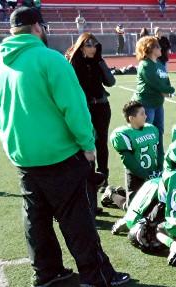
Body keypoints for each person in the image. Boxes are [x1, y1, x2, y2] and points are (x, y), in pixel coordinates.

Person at [0, 7, 129, 287]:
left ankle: (46, 271)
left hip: (24, 156)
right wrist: (87, 145)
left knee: (36, 218)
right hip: (59, 155)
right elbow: (74, 108)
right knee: (77, 218)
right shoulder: (49, 59)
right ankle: (96, 274)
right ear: (38, 27)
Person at [65, 33, 116, 207]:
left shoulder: (98, 62)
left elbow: (111, 82)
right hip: (84, 109)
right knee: (86, 144)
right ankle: (89, 180)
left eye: (95, 45)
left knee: (101, 143)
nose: (92, 48)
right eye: (88, 45)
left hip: (101, 106)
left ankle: (103, 178)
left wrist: (100, 62)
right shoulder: (72, 63)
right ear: (81, 46)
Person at [103, 101, 161, 210]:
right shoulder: (123, 134)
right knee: (134, 209)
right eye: (142, 114)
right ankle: (111, 193)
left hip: (152, 171)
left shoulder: (152, 129)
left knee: (156, 203)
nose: (146, 116)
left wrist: (160, 168)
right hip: (135, 174)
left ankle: (121, 192)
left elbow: (159, 151)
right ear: (131, 118)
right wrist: (146, 175)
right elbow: (128, 160)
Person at [133, 35, 174, 162]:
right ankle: (145, 158)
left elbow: (166, 81)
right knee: (146, 133)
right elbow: (156, 84)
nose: (160, 48)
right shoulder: (145, 65)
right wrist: (170, 90)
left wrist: (168, 89)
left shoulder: (160, 64)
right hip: (146, 105)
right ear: (149, 49)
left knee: (159, 131)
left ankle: (159, 156)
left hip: (158, 104)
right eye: (157, 46)